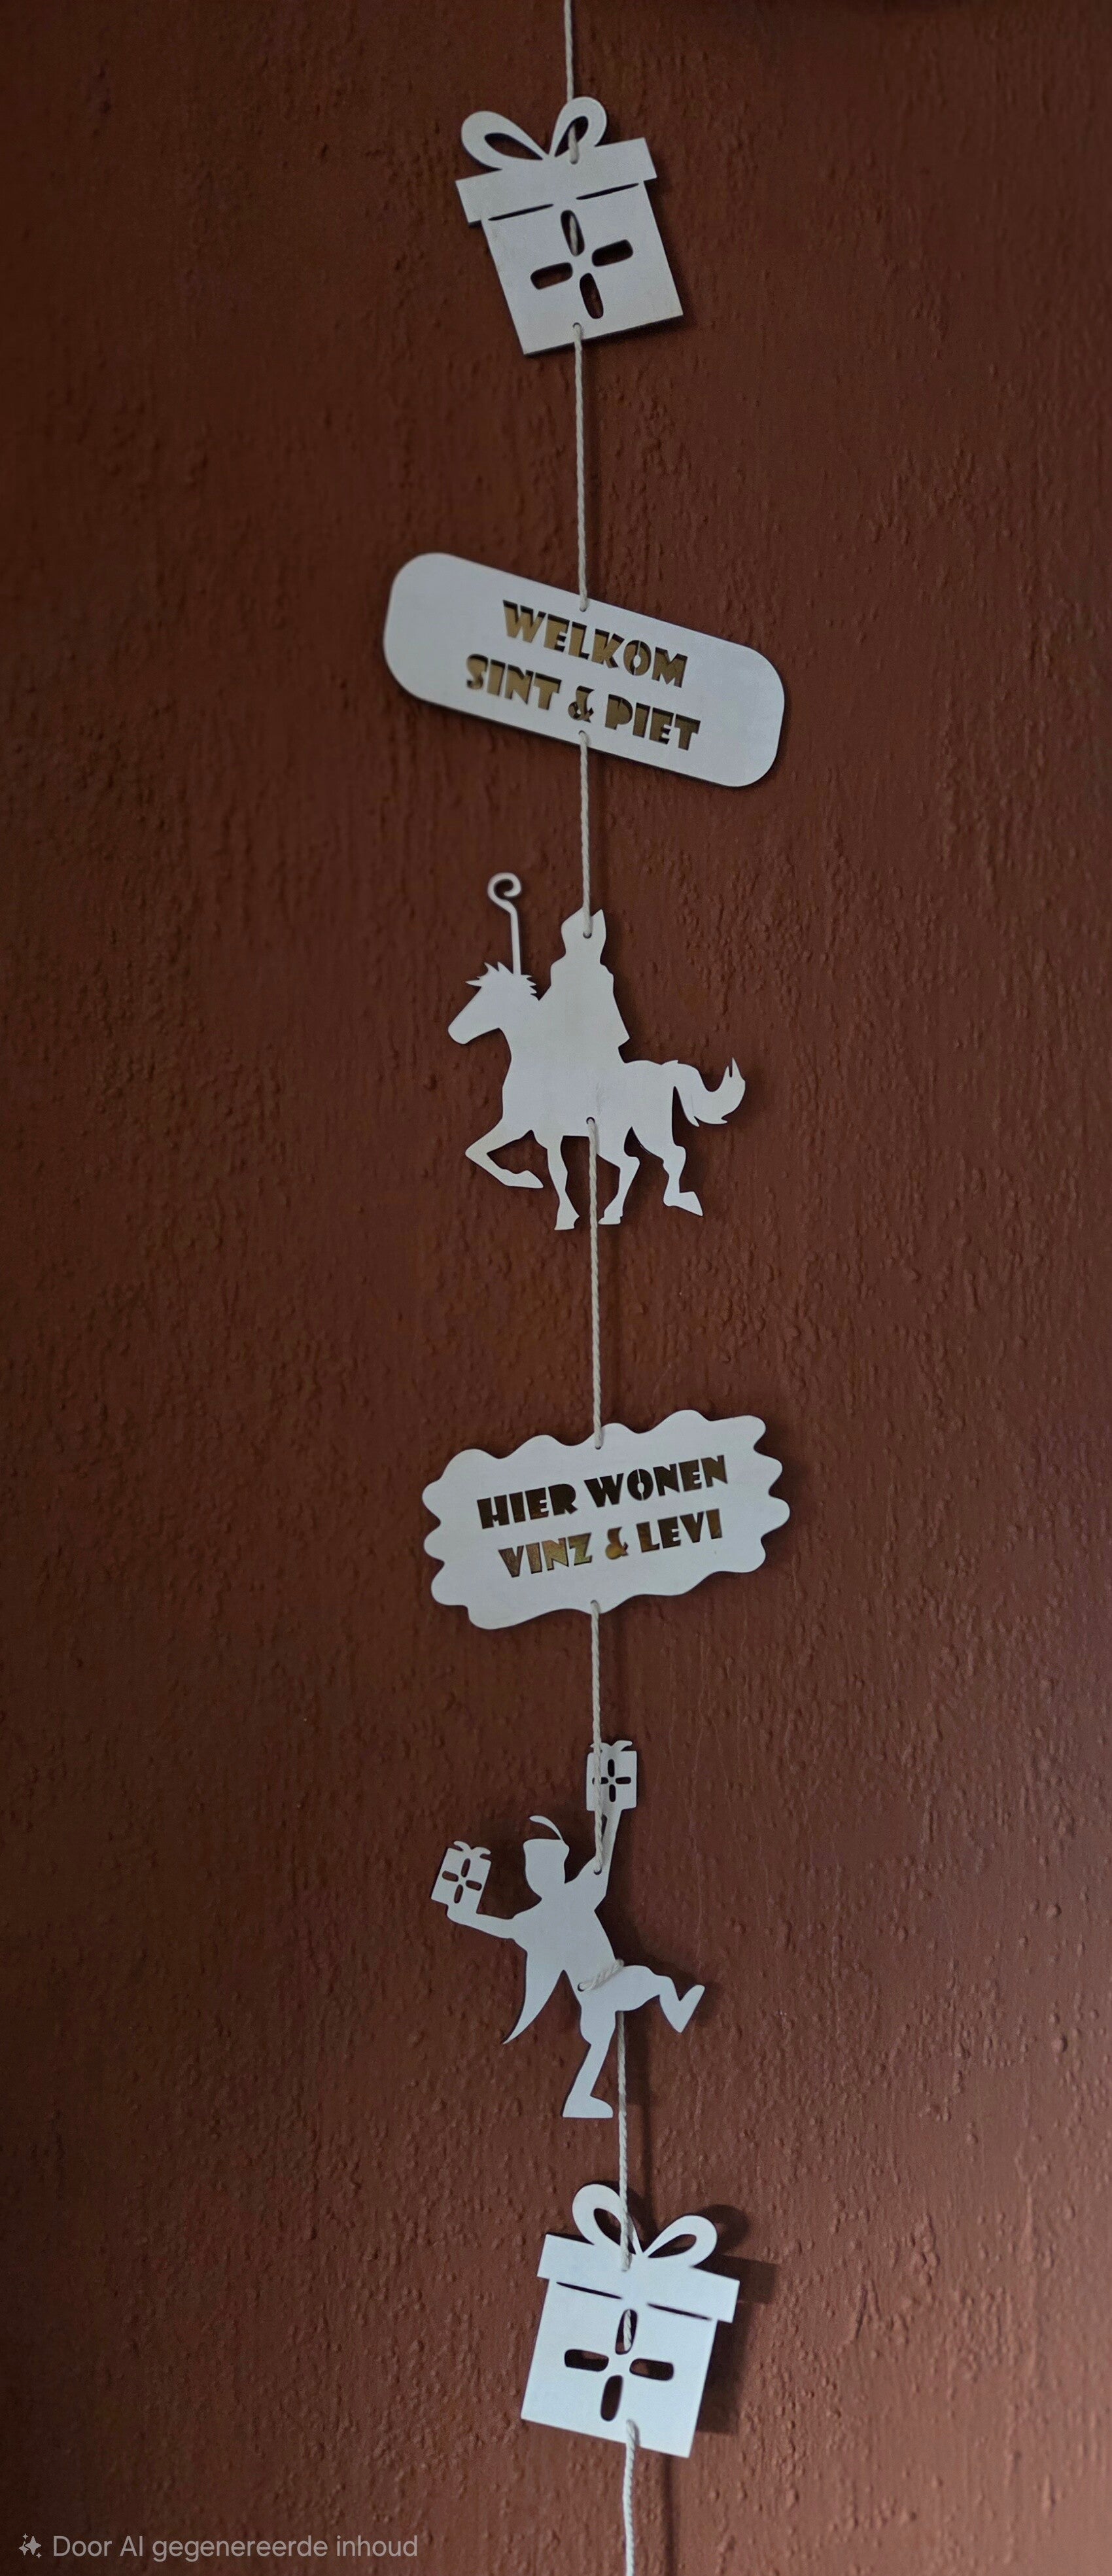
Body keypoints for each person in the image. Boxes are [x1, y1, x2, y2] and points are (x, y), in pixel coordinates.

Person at [452, 1805, 703, 2119]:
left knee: (601, 2042)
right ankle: (676, 2014)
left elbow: (602, 1860)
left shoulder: (561, 1904)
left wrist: (612, 1815)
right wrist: (465, 1916)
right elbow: (601, 1862)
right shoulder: (564, 1903)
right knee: (659, 1983)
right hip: (607, 1985)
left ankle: (579, 2099)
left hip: (593, 1995)